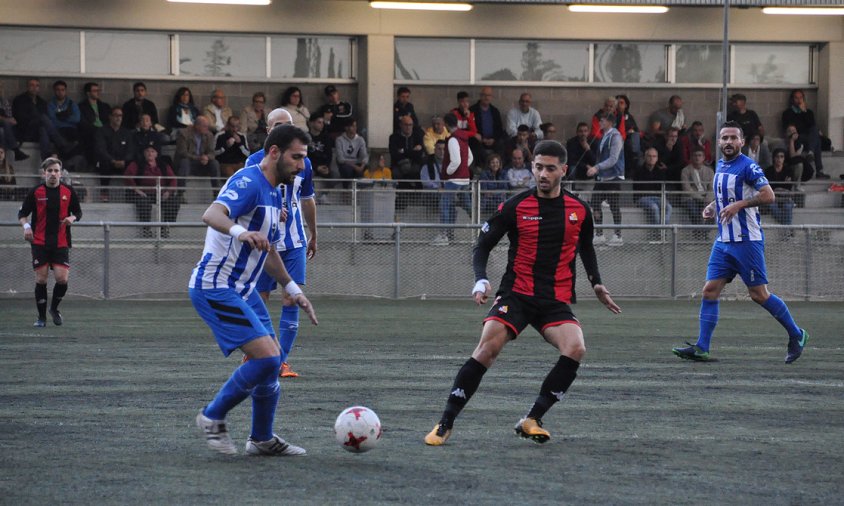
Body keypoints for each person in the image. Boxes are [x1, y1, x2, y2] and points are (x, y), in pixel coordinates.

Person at [424, 140, 621, 446]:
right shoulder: (515, 206)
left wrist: (596, 282)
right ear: (532, 167)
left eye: (550, 168)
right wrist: (480, 279)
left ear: (563, 171)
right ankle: (445, 422)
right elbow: (483, 245)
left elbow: (586, 248)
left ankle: (532, 418)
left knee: (576, 348)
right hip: (516, 294)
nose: (543, 174)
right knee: (487, 348)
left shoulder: (580, 210)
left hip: (554, 300)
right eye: (538, 167)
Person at [190, 124, 318, 456]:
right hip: (216, 286)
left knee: (272, 363)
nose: (302, 165)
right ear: (274, 152)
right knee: (267, 358)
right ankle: (212, 416)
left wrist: (292, 288)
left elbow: (271, 250)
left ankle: (261, 439)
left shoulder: (277, 191)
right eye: (297, 157)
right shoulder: (248, 181)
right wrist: (239, 232)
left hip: (242, 289)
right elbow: (211, 213)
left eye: (304, 158)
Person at [672, 121, 808, 364]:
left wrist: (739, 205)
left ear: (742, 142)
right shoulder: (721, 165)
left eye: (733, 138)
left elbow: (769, 195)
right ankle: (702, 347)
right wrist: (714, 206)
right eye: (724, 138)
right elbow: (727, 195)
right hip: (723, 241)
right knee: (709, 291)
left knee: (758, 294)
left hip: (747, 241)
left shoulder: (749, 166)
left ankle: (797, 334)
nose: (728, 142)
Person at [250, 108, 318, 379]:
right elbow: (250, 196)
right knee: (260, 299)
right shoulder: (254, 162)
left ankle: (280, 362)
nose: (284, 129)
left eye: (288, 125)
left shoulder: (305, 162)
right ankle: (258, 353)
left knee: (291, 298)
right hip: (265, 241)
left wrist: (314, 232)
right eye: (278, 126)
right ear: (268, 132)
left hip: (294, 241)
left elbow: (307, 198)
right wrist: (269, 209)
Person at [18, 157, 83, 328]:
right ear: (44, 173)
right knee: (41, 279)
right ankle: (41, 318)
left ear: (61, 173)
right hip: (39, 242)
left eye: (56, 171)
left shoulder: (69, 191)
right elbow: (22, 214)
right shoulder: (36, 192)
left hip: (61, 242)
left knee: (62, 279)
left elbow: (78, 212)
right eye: (50, 171)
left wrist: (72, 217)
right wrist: (26, 227)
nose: (53, 174)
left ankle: (54, 309)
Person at [431, 112, 472, 246]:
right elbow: (470, 158)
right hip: (465, 179)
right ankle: (484, 229)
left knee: (445, 205)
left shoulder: (453, 139)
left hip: (453, 180)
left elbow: (456, 161)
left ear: (447, 124)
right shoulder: (464, 138)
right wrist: (463, 170)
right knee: (469, 206)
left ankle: (444, 235)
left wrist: (448, 173)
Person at [124, 144, 180, 238]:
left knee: (174, 202)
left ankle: (165, 228)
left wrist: (168, 192)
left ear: (156, 154)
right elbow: (127, 176)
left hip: (161, 193)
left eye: (152, 151)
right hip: (143, 194)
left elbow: (173, 179)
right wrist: (137, 189)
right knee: (143, 203)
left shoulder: (163, 165)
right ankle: (146, 229)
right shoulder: (137, 163)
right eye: (147, 151)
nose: (150, 153)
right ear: (144, 153)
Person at [587, 111, 625, 246]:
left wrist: (597, 167)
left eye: (602, 120)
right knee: (595, 202)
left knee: (614, 205)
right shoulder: (603, 136)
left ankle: (618, 235)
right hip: (603, 177)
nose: (600, 123)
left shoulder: (616, 137)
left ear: (609, 122)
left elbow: (613, 159)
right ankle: (599, 233)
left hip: (614, 176)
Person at [781, 89, 828, 179]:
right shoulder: (787, 113)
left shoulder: (809, 112)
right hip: (797, 138)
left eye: (801, 98)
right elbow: (790, 127)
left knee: (815, 133)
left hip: (809, 138)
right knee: (817, 141)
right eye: (796, 98)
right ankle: (819, 170)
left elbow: (812, 125)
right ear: (792, 99)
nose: (799, 100)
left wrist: (804, 112)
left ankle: (810, 152)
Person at [94, 107, 134, 202]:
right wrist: (112, 160)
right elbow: (101, 149)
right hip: (108, 162)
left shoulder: (126, 133)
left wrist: (124, 161)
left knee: (133, 165)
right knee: (104, 163)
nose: (118, 118)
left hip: (123, 162)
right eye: (116, 115)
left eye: (120, 115)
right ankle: (104, 193)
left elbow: (131, 150)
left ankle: (131, 195)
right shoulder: (102, 131)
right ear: (110, 117)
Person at [175, 115, 220, 194]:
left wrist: (207, 157)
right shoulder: (183, 133)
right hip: (189, 162)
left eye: (207, 126)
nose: (207, 128)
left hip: (203, 163)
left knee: (214, 163)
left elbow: (212, 152)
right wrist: (199, 158)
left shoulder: (209, 135)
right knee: (184, 162)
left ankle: (217, 193)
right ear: (197, 126)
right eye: (204, 126)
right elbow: (182, 152)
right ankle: (180, 194)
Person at [633, 147, 671, 237]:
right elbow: (639, 190)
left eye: (654, 156)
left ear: (657, 158)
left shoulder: (660, 171)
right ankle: (658, 234)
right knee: (654, 207)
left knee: (668, 207)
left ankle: (663, 231)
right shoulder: (638, 171)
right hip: (642, 198)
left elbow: (662, 189)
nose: (651, 158)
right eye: (649, 156)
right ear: (645, 157)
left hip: (657, 198)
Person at [680, 148, 714, 228]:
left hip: (706, 197)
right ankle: (700, 234)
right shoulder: (685, 171)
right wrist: (701, 198)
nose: (697, 158)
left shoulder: (709, 171)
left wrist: (708, 199)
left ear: (703, 158)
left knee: (712, 211)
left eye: (699, 155)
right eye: (695, 155)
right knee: (694, 210)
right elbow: (687, 189)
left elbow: (712, 188)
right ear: (691, 157)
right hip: (690, 198)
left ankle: (701, 233)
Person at [469, 86, 505, 157]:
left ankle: (499, 165)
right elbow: (469, 127)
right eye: (484, 95)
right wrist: (479, 137)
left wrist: (494, 139)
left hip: (493, 140)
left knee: (502, 143)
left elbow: (499, 128)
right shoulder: (472, 110)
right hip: (479, 140)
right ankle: (479, 166)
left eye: (489, 95)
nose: (486, 98)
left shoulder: (495, 111)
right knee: (474, 143)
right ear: (480, 96)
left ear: (491, 97)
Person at [763, 148, 795, 227]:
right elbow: (768, 187)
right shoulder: (768, 171)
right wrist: (780, 188)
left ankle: (786, 229)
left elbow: (789, 187)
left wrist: (776, 188)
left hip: (785, 198)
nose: (779, 159)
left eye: (781, 157)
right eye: (777, 157)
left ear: (784, 158)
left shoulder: (789, 170)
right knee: (772, 206)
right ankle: (788, 228)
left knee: (787, 206)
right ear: (774, 158)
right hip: (772, 198)